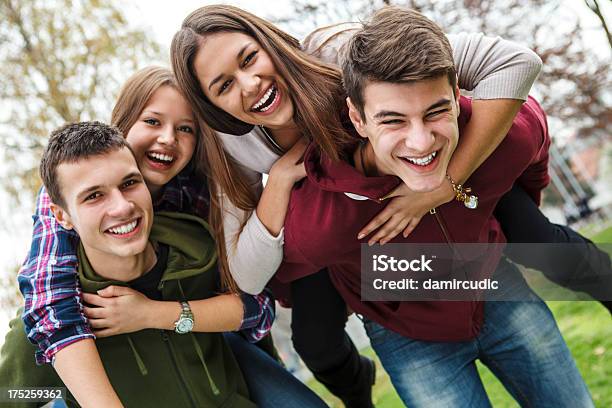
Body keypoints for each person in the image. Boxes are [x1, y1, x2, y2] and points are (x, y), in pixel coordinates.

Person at [171, 4, 608, 406]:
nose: (249, 84)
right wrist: (282, 179)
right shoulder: (237, 148)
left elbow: (514, 65)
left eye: (249, 58)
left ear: (270, 41)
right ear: (212, 104)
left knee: (534, 233)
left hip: (449, 175)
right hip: (370, 244)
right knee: (315, 336)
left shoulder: (342, 53)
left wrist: (443, 184)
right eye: (223, 85)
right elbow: (247, 270)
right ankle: (357, 392)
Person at [15, 67, 320, 408]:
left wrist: (153, 314)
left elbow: (255, 303)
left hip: (207, 335)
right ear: (124, 124)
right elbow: (49, 302)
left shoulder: (199, 199)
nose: (168, 138)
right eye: (152, 122)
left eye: (185, 129)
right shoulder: (70, 187)